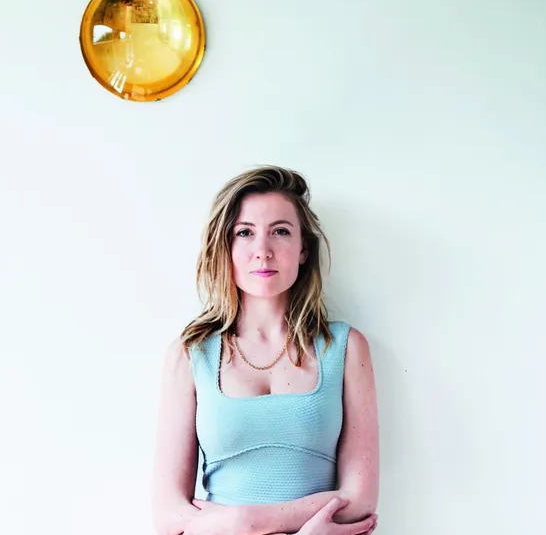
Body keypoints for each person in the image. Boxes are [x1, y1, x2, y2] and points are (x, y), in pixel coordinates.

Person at [152, 166, 379, 535]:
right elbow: (168, 515)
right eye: (245, 233)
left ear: (303, 249)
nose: (263, 251)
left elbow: (359, 500)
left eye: (280, 231)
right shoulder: (190, 355)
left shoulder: (345, 349)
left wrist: (245, 521)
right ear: (226, 246)